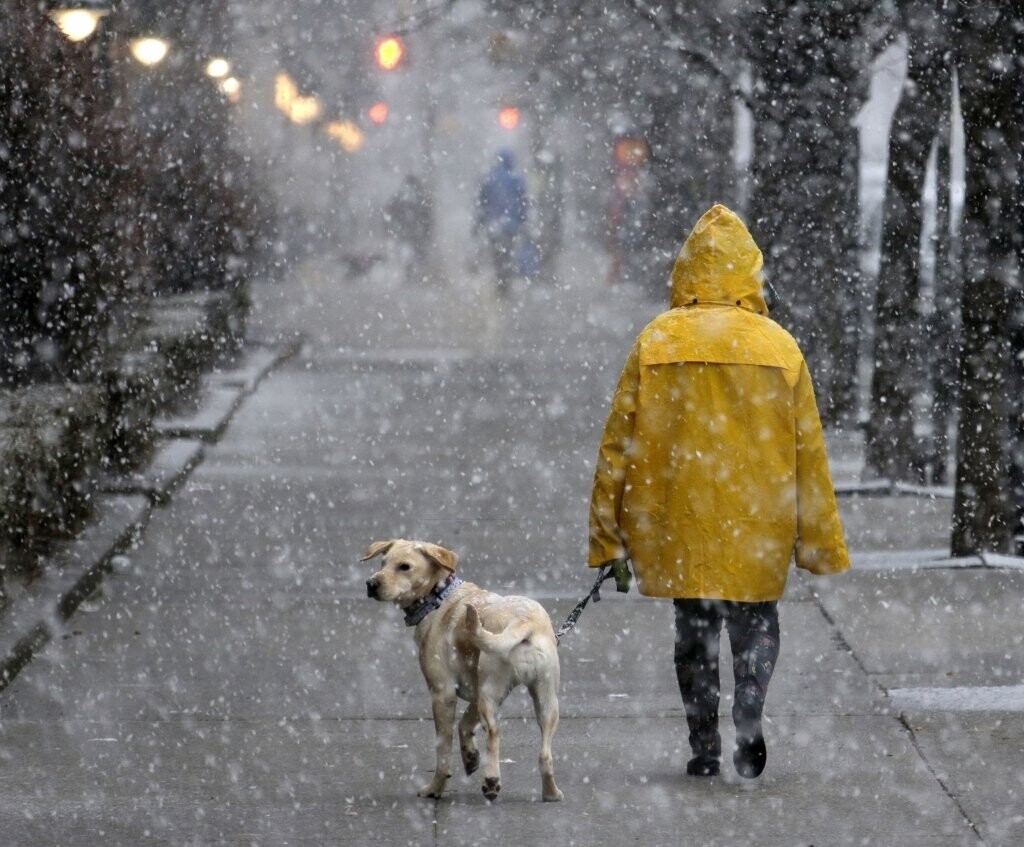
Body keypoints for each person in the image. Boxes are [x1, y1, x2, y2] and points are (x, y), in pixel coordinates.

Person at [588, 204, 850, 779]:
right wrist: (819, 542)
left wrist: (609, 538)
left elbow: (617, 448)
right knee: (755, 621)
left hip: (682, 519)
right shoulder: (780, 347)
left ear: (685, 273)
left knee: (694, 631)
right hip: (759, 517)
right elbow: (809, 453)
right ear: (749, 274)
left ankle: (703, 747)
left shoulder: (656, 341)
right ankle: (749, 709)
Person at [474, 149, 528, 296]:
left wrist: (479, 223)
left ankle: (500, 280)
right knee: (508, 253)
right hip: (511, 226)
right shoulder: (516, 179)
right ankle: (506, 280)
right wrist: (522, 220)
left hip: (494, 226)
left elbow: (482, 203)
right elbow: (523, 203)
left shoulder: (490, 178)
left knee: (496, 254)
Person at [383, 175, 432, 284]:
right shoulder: (420, 198)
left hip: (406, 231)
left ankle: (410, 274)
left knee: (408, 253)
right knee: (413, 253)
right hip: (414, 232)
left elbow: (390, 210)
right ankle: (414, 274)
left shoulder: (401, 197)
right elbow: (427, 216)